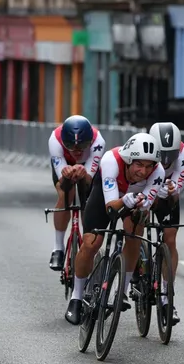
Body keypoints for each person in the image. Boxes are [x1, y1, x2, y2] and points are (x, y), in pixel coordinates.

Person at [65, 133, 164, 325]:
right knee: (91, 243)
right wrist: (124, 200)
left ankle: (123, 291)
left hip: (134, 199)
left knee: (135, 233)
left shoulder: (157, 172)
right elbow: (110, 208)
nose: (143, 172)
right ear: (128, 161)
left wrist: (139, 208)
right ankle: (76, 297)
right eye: (139, 165)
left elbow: (144, 209)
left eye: (148, 166)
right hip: (106, 196)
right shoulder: (111, 161)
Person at [48, 115, 106, 271]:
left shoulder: (98, 141)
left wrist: (83, 172)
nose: (76, 151)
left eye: (82, 146)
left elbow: (88, 180)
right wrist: (67, 174)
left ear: (89, 141)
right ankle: (58, 248)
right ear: (64, 142)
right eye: (70, 146)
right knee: (66, 193)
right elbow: (63, 183)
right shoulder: (55, 139)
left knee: (89, 199)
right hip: (64, 165)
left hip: (87, 168)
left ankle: (87, 244)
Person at [148, 122, 184, 326]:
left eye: (170, 155)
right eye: (162, 154)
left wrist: (172, 190)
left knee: (170, 240)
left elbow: (176, 193)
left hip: (168, 194)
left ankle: (166, 295)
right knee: (135, 229)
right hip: (146, 188)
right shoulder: (144, 148)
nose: (166, 161)